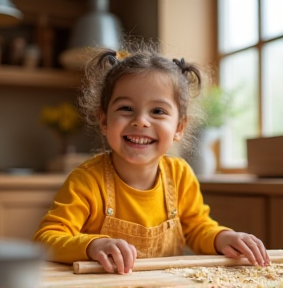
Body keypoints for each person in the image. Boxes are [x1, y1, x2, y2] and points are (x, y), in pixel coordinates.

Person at [33, 43, 269, 275]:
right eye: (126, 108)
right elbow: (46, 239)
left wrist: (223, 237)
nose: (141, 121)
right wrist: (92, 245)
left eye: (157, 111)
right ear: (104, 121)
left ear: (179, 127)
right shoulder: (86, 180)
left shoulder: (180, 175)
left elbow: (197, 228)